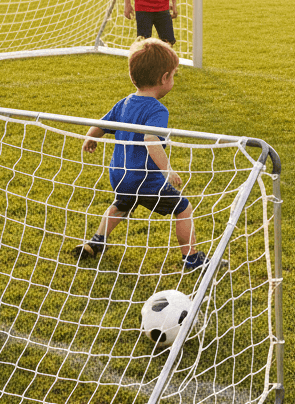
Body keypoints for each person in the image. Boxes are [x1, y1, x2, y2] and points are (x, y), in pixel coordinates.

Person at [71, 36, 206, 270]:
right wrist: (167, 170)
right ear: (164, 78)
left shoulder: (124, 103)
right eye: (173, 76)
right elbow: (151, 140)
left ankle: (96, 241)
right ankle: (191, 258)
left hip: (120, 176)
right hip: (145, 180)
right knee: (183, 208)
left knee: (121, 205)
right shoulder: (157, 110)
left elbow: (101, 124)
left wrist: (91, 138)